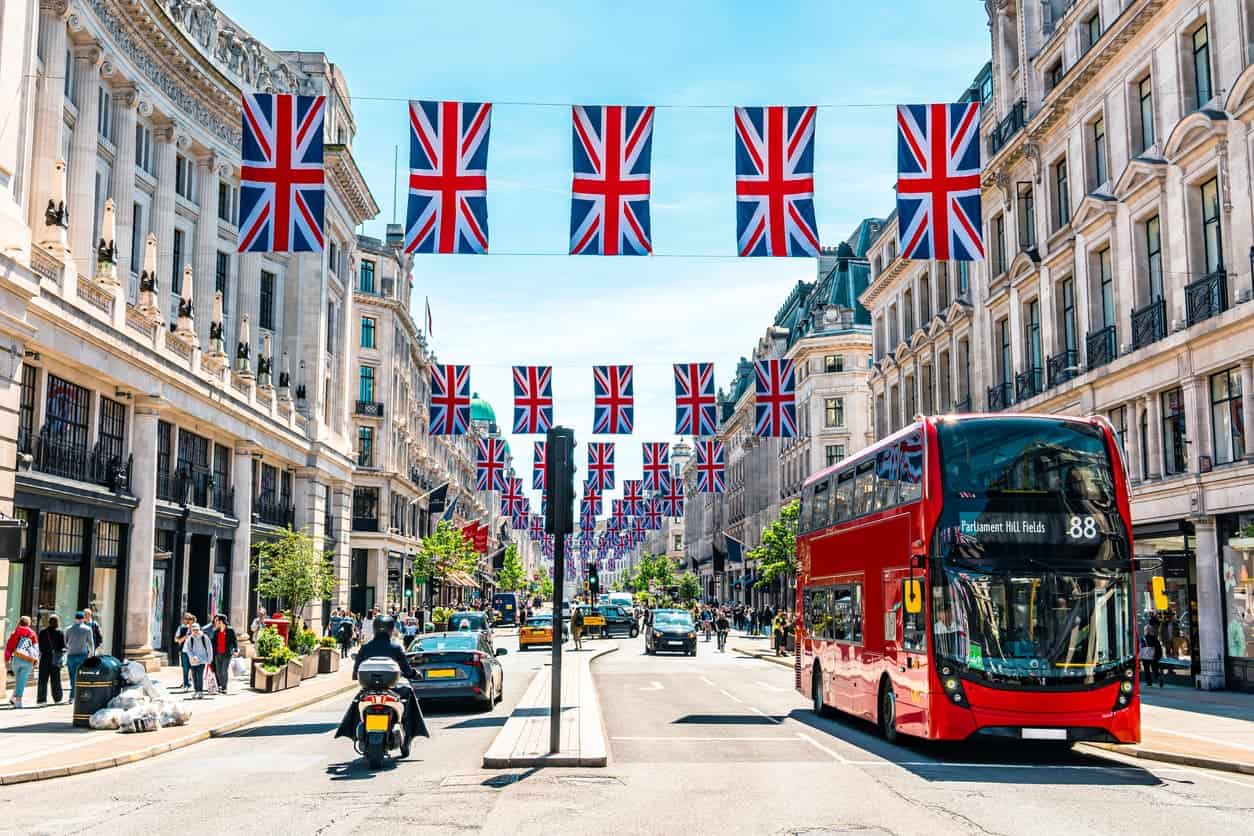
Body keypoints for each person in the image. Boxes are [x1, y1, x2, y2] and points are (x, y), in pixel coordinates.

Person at [336, 615, 429, 755]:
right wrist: (415, 674)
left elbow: (356, 670)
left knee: (356, 703)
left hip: (369, 689)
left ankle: (353, 732)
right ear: (391, 629)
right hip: (392, 689)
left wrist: (356, 675)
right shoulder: (396, 647)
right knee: (408, 695)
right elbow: (406, 669)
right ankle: (408, 735)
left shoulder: (366, 647)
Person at [5, 616, 39, 708]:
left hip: (16, 659)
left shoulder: (14, 633)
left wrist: (7, 660)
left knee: (19, 680)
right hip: (28, 660)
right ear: (29, 623)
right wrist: (36, 660)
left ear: (20, 622)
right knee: (22, 681)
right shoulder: (32, 634)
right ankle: (18, 701)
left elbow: (9, 648)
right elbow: (36, 648)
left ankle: (12, 698)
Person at [64, 611, 95, 703]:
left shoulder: (68, 629)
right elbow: (91, 642)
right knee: (82, 676)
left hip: (71, 655)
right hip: (82, 655)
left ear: (75, 619)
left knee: (72, 676)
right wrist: (92, 653)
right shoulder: (87, 629)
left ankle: (72, 697)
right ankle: (80, 695)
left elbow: (65, 643)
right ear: (83, 619)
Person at [37, 615, 67, 705]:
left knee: (42, 680)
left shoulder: (43, 632)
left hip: (44, 658)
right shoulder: (60, 632)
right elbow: (63, 646)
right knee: (56, 679)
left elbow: (40, 645)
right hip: (55, 659)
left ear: (49, 622)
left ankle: (41, 700)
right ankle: (57, 698)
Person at [208, 614, 238, 695]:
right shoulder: (216, 631)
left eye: (217, 620)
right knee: (218, 671)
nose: (215, 622)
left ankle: (224, 687)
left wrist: (236, 649)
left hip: (227, 653)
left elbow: (234, 641)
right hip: (217, 653)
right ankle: (220, 686)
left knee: (224, 670)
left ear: (221, 621)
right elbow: (213, 643)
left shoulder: (230, 630)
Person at [182, 623, 213, 698]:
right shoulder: (190, 638)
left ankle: (200, 691)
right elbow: (188, 649)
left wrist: (209, 660)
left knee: (199, 676)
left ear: (199, 629)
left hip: (202, 660)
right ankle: (196, 691)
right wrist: (192, 656)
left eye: (197, 630)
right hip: (193, 661)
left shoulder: (204, 637)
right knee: (194, 676)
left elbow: (209, 649)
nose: (195, 631)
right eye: (194, 630)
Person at [173, 612, 195, 689]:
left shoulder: (196, 629)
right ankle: (186, 683)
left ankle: (191, 682)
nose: (187, 621)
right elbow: (176, 640)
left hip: (194, 652)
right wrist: (184, 637)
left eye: (189, 619)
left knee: (193, 668)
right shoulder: (182, 628)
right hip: (184, 651)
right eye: (185, 619)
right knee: (185, 668)